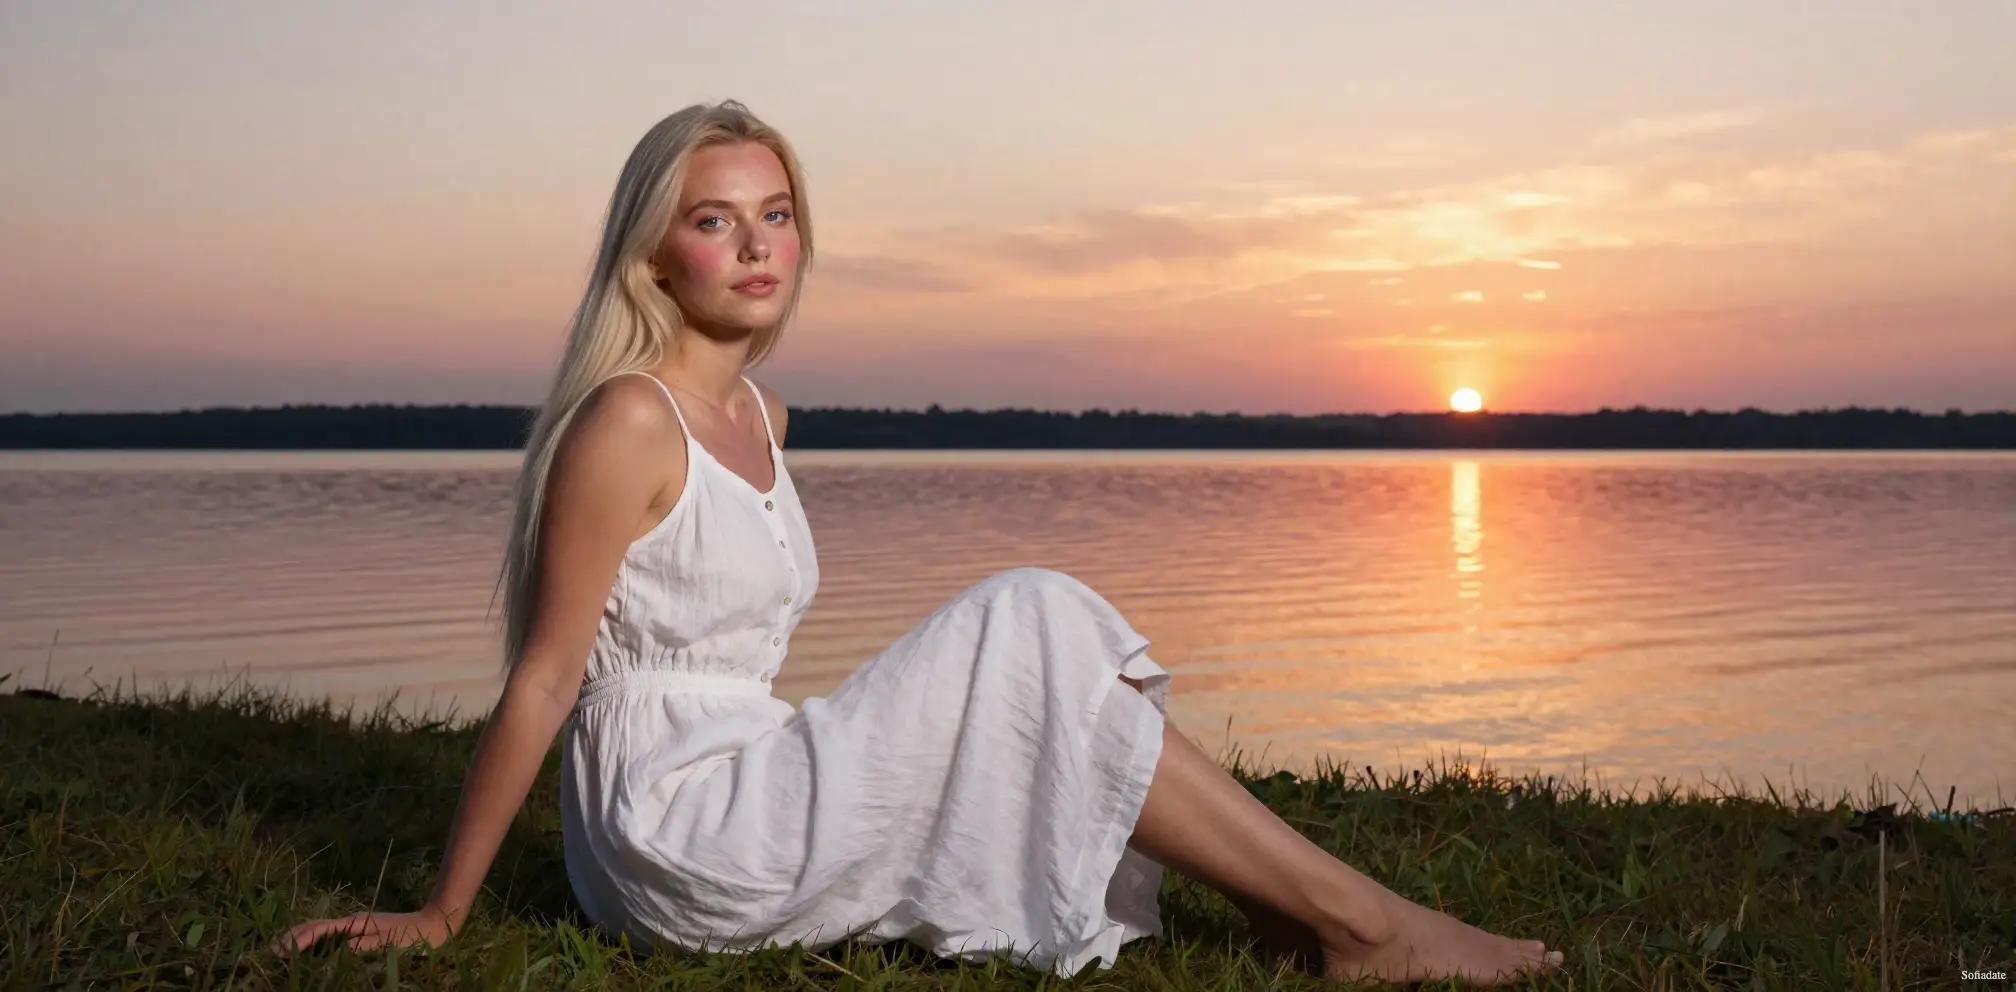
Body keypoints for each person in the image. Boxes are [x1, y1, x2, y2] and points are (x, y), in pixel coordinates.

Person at [274, 101, 1563, 984]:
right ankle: (1361, 926)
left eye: (776, 213)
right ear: (654, 256)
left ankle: (1317, 918)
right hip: (676, 826)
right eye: (714, 219)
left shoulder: (762, 418)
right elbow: (550, 676)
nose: (757, 245)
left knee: (1039, 652)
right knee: (1030, 617)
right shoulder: (629, 419)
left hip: (751, 763)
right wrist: (443, 911)